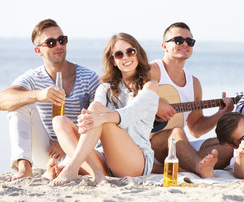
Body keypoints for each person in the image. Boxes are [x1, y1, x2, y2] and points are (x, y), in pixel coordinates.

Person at [48, 32, 159, 186]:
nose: (126, 57)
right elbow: (93, 114)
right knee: (60, 121)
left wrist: (102, 118)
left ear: (138, 54)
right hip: (103, 158)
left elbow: (132, 112)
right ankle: (96, 173)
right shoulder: (105, 88)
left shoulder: (150, 86)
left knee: (99, 113)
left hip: (134, 160)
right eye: (119, 54)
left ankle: (71, 167)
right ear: (113, 61)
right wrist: (91, 118)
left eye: (130, 51)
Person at [0, 19, 99, 181]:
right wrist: (39, 95)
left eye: (62, 40)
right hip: (47, 150)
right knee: (19, 105)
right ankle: (25, 169)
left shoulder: (88, 77)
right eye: (51, 42)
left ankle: (59, 169)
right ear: (38, 50)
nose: (59, 45)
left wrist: (67, 143)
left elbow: (102, 120)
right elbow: (3, 100)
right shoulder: (33, 77)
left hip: (80, 150)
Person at [149, 22, 234, 178]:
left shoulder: (194, 83)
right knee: (177, 132)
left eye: (190, 42)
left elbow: (195, 129)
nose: (185, 44)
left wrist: (220, 114)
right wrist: (156, 104)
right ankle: (198, 167)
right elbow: (129, 95)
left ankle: (185, 165)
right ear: (164, 46)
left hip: (178, 145)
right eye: (178, 40)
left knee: (229, 146)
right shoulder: (153, 70)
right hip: (151, 143)